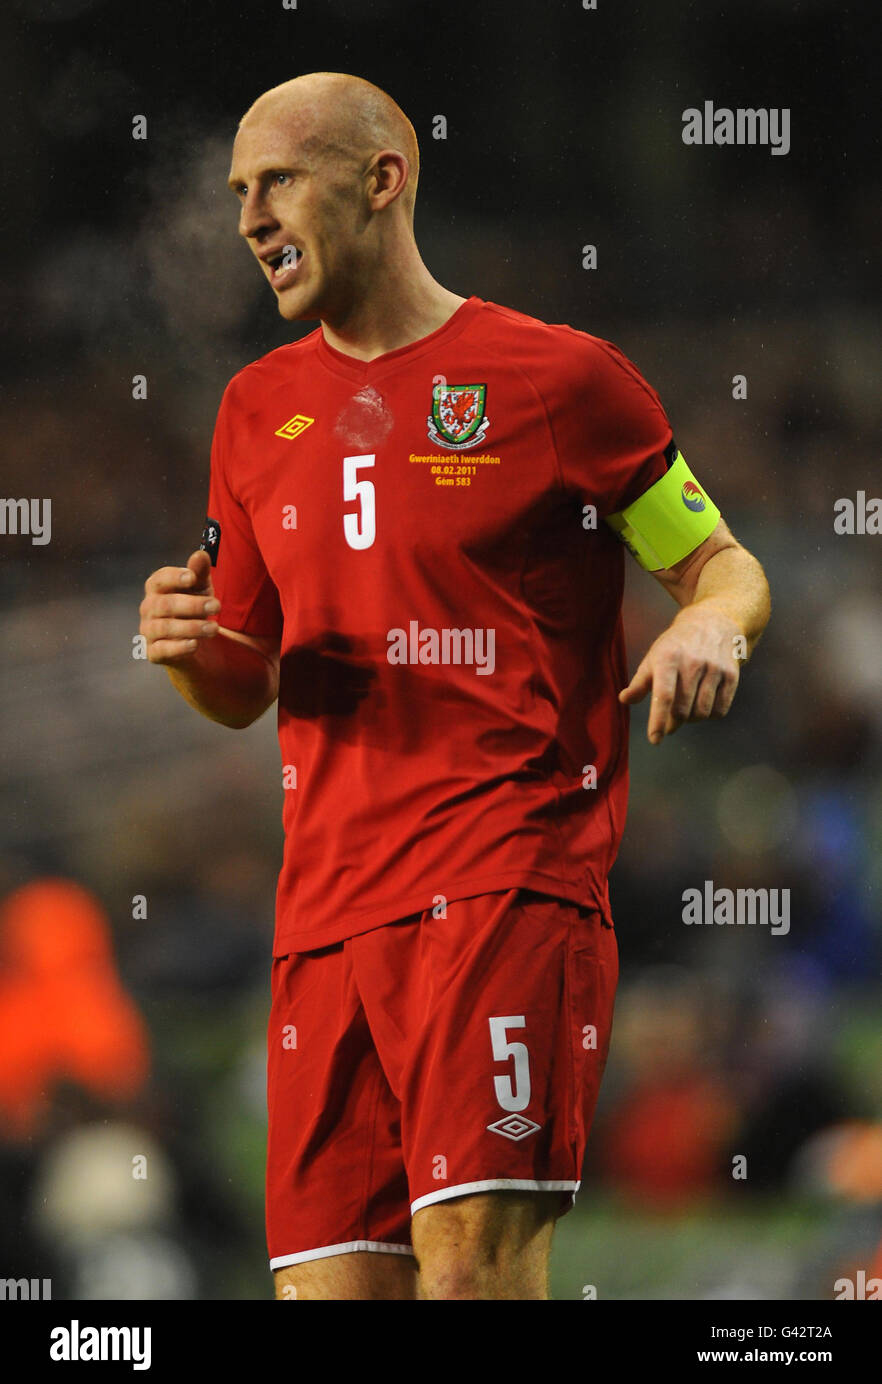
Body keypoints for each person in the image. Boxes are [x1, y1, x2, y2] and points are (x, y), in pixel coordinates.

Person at [139, 71, 771, 1300]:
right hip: (322, 921)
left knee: (470, 1275)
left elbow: (722, 563)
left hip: (502, 881)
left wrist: (712, 628)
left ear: (383, 179)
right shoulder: (253, 410)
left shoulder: (561, 381)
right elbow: (248, 678)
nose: (249, 219)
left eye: (275, 183)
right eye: (235, 194)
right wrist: (190, 650)